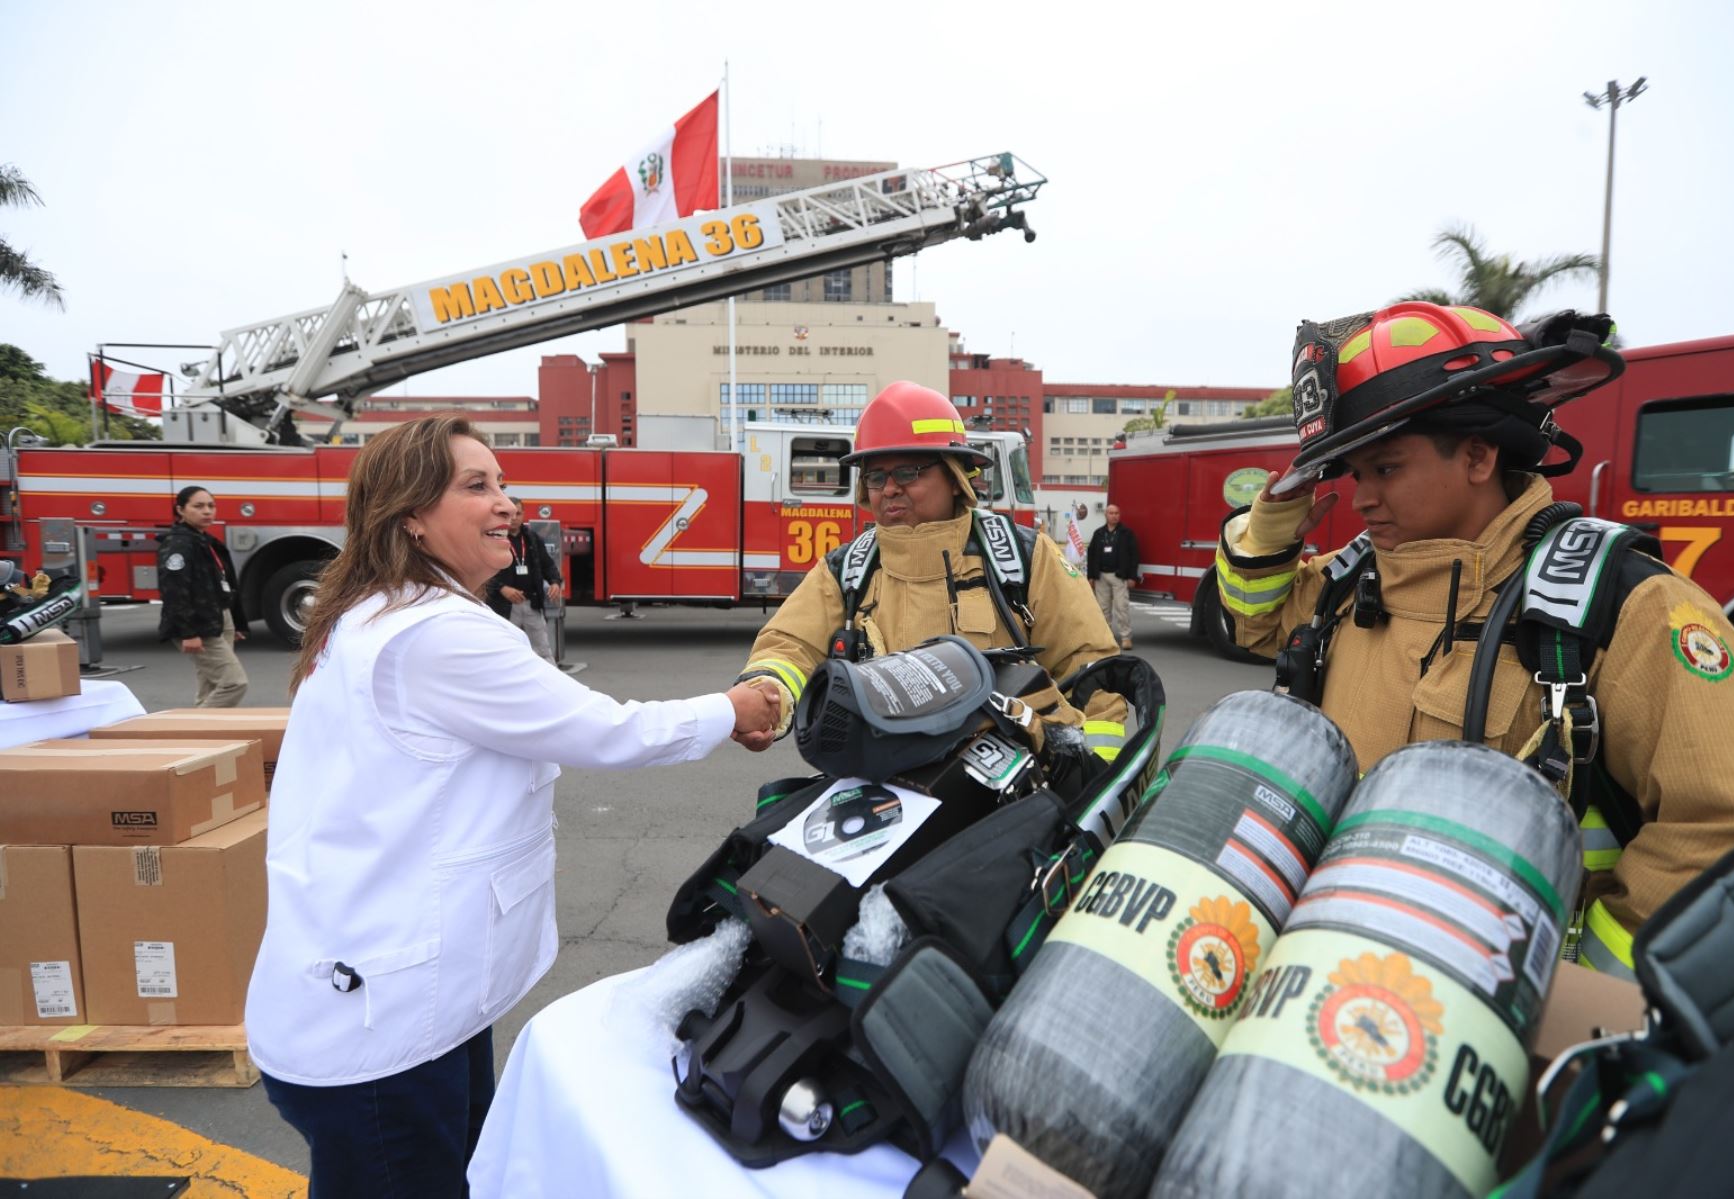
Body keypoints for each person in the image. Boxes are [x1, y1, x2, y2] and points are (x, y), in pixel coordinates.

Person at [244, 414, 778, 1197]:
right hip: (383, 1024)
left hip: (395, 996)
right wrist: (734, 707)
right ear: (410, 514)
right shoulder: (434, 635)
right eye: (477, 485)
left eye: (502, 482)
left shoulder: (373, 613)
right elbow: (605, 730)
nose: (508, 502)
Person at [1214, 301, 1734, 979]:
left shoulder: (1622, 607)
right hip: (1334, 966)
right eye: (1356, 474)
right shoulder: (1349, 584)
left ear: (1478, 455)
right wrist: (1278, 510)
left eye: (1388, 468)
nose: (1363, 497)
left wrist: (1564, 982)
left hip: (1503, 1030)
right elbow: (1253, 617)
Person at [732, 381, 1129, 762]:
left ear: (955, 477)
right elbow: (790, 647)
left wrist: (1095, 779)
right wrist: (767, 693)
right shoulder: (845, 571)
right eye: (875, 476)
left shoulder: (1024, 557)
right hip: (882, 784)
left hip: (1010, 797)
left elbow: (1090, 666)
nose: (888, 489)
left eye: (907, 472)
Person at [156, 485, 249, 707]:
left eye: (211, 506)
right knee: (234, 683)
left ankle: (205, 735)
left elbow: (224, 585)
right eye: (198, 506)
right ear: (180, 510)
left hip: (218, 618)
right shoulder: (179, 543)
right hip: (199, 623)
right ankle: (195, 727)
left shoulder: (204, 540)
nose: (207, 511)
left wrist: (235, 623)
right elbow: (174, 589)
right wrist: (188, 632)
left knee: (210, 684)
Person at [485, 498, 562, 662]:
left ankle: (549, 682)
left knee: (542, 648)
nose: (514, 518)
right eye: (510, 514)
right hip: (505, 605)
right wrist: (502, 588)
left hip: (531, 602)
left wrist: (555, 581)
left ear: (523, 515)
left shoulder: (532, 538)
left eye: (518, 513)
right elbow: (483, 570)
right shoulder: (494, 538)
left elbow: (547, 564)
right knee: (505, 648)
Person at [1086, 503, 1140, 649]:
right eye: (1111, 513)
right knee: (1103, 609)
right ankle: (1106, 638)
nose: (1114, 516)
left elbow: (1134, 556)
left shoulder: (1126, 533)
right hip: (1101, 576)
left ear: (1119, 515)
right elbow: (1091, 555)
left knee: (1122, 607)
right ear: (1106, 515)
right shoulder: (1098, 534)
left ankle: (1126, 638)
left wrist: (1132, 577)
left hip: (1119, 576)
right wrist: (1090, 576)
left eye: (1116, 513)